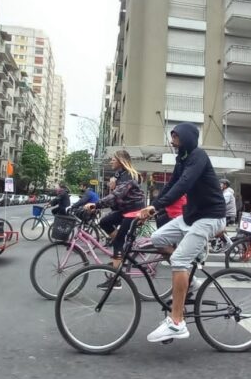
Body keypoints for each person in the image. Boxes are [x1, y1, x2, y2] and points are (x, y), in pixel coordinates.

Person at [138, 123, 226, 343]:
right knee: (157, 238)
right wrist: (153, 206)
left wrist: (156, 206)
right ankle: (191, 280)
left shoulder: (198, 156)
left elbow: (185, 184)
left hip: (211, 217)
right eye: (172, 137)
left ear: (186, 138)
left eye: (175, 137)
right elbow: (172, 185)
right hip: (191, 216)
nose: (172, 141)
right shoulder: (182, 159)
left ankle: (176, 322)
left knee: (179, 259)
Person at [84, 150, 145, 289]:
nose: (111, 161)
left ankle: (115, 280)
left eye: (113, 159)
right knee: (104, 222)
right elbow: (116, 201)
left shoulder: (129, 175)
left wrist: (96, 205)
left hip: (134, 212)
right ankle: (121, 249)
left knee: (118, 241)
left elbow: (116, 195)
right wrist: (112, 189)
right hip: (125, 211)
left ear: (121, 161)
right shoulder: (119, 175)